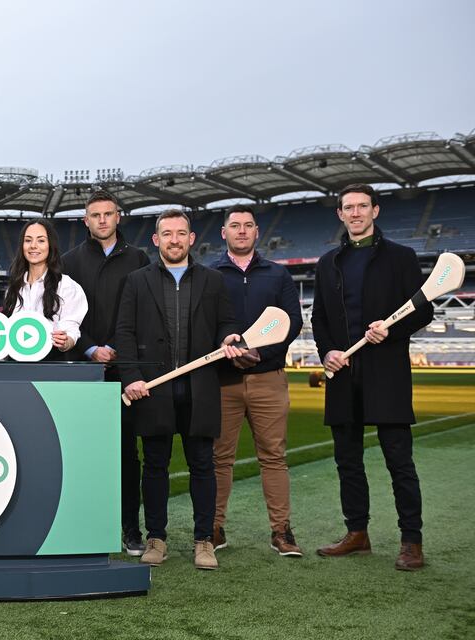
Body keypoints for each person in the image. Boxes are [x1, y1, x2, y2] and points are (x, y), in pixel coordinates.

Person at [311, 183, 432, 571]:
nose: (356, 213)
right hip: (343, 373)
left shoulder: (401, 257)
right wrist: (327, 351)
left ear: (375, 211)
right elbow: (320, 319)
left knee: (399, 461)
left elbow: (422, 311)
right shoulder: (328, 262)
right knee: (347, 460)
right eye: (349, 207)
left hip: (387, 373)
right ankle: (357, 533)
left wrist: (392, 331)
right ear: (340, 215)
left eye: (363, 206)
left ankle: (411, 540)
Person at [114, 209, 242, 571]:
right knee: (155, 466)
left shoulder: (213, 280)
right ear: (156, 240)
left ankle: (204, 540)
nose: (174, 239)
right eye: (166, 233)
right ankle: (157, 537)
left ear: (191, 239)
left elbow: (226, 324)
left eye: (180, 233)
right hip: (154, 391)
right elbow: (125, 333)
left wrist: (230, 337)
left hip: (199, 388)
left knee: (203, 465)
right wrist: (131, 377)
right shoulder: (137, 281)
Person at [211, 204, 303, 556]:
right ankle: (214, 528)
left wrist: (259, 353)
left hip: (268, 378)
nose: (242, 231)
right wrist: (227, 350)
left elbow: (291, 322)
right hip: (223, 381)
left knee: (274, 457)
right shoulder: (210, 273)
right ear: (224, 233)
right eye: (235, 226)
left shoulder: (277, 275)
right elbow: (203, 323)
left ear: (257, 232)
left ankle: (281, 531)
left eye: (248, 225)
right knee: (219, 459)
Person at [61, 190, 149, 556]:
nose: (101, 220)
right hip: (82, 368)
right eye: (94, 215)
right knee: (79, 451)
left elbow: (145, 314)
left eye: (108, 214)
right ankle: (80, 524)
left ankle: (131, 529)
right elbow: (62, 315)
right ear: (85, 220)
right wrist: (90, 347)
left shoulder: (140, 259)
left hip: (125, 371)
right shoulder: (68, 261)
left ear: (118, 217)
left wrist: (120, 352)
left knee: (127, 453)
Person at [2, 219, 87, 360]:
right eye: (28, 240)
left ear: (50, 245)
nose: (33, 246)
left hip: (50, 366)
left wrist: (66, 342)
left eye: (41, 241)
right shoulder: (13, 287)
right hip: (15, 367)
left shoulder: (66, 286)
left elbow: (71, 329)